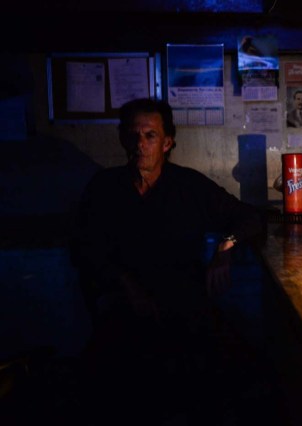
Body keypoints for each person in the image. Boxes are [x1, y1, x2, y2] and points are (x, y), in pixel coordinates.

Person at [70, 98, 274, 424]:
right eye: (134, 136)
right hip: (124, 312)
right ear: (123, 138)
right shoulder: (105, 188)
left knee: (243, 377)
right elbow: (85, 249)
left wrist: (225, 247)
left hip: (185, 311)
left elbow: (249, 217)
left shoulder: (187, 186)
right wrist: (127, 287)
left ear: (167, 143)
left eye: (150, 136)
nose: (141, 145)